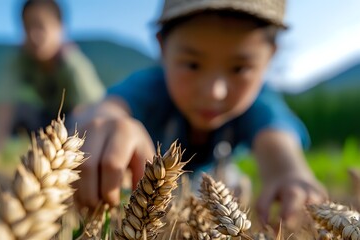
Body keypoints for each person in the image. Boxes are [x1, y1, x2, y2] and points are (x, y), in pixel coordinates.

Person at [74, 0, 327, 228]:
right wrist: (108, 125)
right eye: (193, 65)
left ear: (270, 56)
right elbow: (108, 110)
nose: (214, 92)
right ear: (163, 48)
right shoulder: (149, 88)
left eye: (239, 68)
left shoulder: (259, 102)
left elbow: (275, 134)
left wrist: (287, 169)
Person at [0, 0, 105, 149]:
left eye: (40, 26)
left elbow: (91, 108)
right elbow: (4, 101)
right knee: (19, 112)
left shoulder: (72, 62)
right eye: (27, 27)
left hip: (80, 118)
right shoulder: (21, 59)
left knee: (75, 121)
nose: (33, 35)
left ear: (60, 28)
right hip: (49, 118)